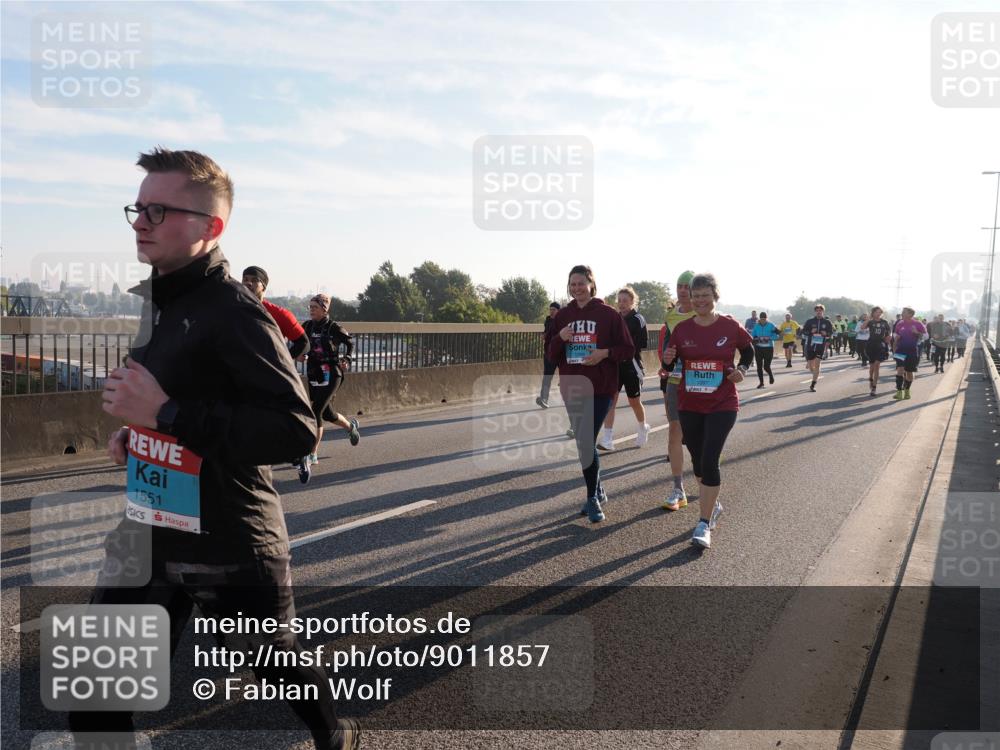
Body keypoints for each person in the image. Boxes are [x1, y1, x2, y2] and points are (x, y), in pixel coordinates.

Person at [82, 147, 360, 749]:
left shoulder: (237, 313)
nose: (140, 223)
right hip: (151, 525)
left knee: (273, 667)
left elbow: (293, 428)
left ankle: (337, 736)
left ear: (210, 228)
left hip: (230, 536)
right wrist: (141, 432)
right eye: (137, 208)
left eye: (158, 210)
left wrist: (166, 412)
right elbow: (175, 401)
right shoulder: (160, 303)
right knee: (96, 700)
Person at [661, 273, 754, 549]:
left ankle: (703, 524)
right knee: (699, 462)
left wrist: (742, 370)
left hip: (722, 403)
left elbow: (747, 351)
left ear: (715, 295)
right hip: (690, 403)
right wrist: (669, 360)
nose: (700, 300)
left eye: (705, 294)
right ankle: (713, 503)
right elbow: (672, 361)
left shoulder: (729, 325)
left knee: (711, 459)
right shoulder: (683, 329)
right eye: (696, 295)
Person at [546, 265, 633, 522]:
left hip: (601, 386)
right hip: (572, 387)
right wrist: (559, 337)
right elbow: (550, 354)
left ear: (591, 284)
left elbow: (627, 349)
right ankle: (597, 489)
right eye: (572, 284)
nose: (576, 289)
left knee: (585, 440)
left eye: (580, 283)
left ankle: (592, 498)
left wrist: (604, 354)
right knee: (584, 442)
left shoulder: (608, 315)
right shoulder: (561, 316)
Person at [242, 265, 313, 483]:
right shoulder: (234, 309)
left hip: (272, 377)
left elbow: (303, 342)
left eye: (253, 280)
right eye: (244, 279)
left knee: (276, 421)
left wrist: (285, 362)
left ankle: (299, 455)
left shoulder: (278, 313)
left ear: (264, 286)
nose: (248, 283)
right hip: (244, 376)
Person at [301, 294, 360, 462]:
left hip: (333, 373)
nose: (311, 310)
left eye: (315, 307)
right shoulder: (307, 326)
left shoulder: (334, 327)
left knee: (317, 410)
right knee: (327, 414)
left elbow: (350, 343)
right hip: (314, 372)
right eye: (310, 307)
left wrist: (346, 358)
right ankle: (350, 427)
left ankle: (312, 453)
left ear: (324, 309)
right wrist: (299, 354)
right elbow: (299, 342)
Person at [658, 270, 697, 511]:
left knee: (699, 438)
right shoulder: (671, 316)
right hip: (676, 381)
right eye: (679, 286)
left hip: (702, 383)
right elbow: (667, 350)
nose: (683, 290)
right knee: (675, 430)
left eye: (687, 286)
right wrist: (666, 360)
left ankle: (708, 485)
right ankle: (678, 488)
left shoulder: (706, 313)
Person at [599, 287, 649, 450]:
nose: (621, 304)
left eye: (625, 301)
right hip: (615, 365)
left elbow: (641, 344)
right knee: (610, 402)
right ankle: (607, 439)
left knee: (634, 402)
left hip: (632, 366)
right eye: (619, 301)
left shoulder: (638, 319)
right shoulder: (614, 318)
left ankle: (642, 427)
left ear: (632, 302)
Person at [892, 306, 927, 400]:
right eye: (902, 312)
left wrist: (916, 332)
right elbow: (895, 334)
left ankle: (907, 391)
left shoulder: (917, 323)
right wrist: (895, 339)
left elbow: (926, 336)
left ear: (910, 314)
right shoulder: (900, 323)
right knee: (900, 370)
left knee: (909, 373)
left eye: (904, 312)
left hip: (912, 351)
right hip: (900, 350)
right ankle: (899, 392)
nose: (902, 313)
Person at [801, 304, 834, 392]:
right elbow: (803, 331)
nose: (819, 312)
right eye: (817, 310)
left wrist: (825, 334)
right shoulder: (810, 321)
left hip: (820, 346)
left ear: (823, 311)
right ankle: (814, 373)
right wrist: (810, 332)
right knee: (811, 366)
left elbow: (831, 333)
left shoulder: (827, 322)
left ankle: (813, 384)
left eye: (820, 310)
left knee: (818, 365)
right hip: (811, 346)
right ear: (815, 311)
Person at [860, 307, 891, 396]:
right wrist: (868, 319)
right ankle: (870, 378)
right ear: (873, 313)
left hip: (880, 345)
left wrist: (888, 338)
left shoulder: (884, 322)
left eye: (880, 312)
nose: (878, 314)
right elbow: (862, 327)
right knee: (872, 366)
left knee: (877, 365)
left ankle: (874, 387)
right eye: (876, 312)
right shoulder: (870, 321)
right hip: (871, 345)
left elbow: (889, 332)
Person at [537, 301, 561, 408]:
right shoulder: (547, 320)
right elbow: (546, 332)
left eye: (554, 310)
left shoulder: (562, 321)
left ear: (558, 311)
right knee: (547, 377)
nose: (551, 312)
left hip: (561, 354)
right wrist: (543, 335)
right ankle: (543, 399)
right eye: (550, 310)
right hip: (549, 353)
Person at [750, 312, 781, 388]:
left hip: (769, 348)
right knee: (759, 366)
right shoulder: (756, 326)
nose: (763, 320)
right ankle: (761, 383)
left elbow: (777, 335)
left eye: (764, 319)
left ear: (766, 319)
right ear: (759, 319)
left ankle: (771, 375)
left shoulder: (771, 325)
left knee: (766, 366)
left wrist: (769, 338)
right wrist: (756, 338)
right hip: (758, 348)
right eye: (761, 319)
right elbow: (752, 336)